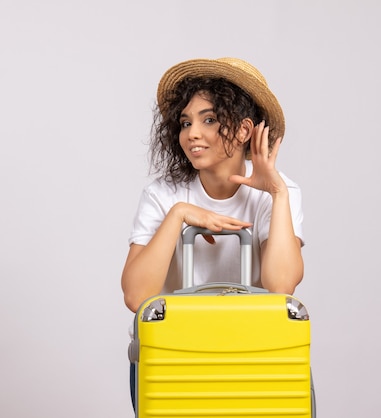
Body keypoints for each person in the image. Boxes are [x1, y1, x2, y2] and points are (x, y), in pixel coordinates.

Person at [121, 57, 304, 408]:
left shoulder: (281, 192)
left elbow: (282, 287)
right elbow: (135, 296)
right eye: (186, 122)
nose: (192, 133)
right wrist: (179, 215)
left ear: (243, 130)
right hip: (171, 351)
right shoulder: (163, 195)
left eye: (209, 120)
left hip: (253, 350)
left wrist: (277, 194)